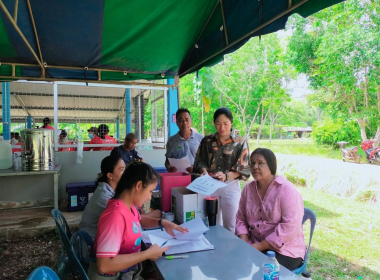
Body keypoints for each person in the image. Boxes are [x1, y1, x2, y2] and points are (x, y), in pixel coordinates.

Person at [90, 162, 189, 278]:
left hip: (126, 272)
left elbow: (137, 221)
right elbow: (104, 265)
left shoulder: (128, 206)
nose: (149, 197)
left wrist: (162, 222)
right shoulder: (115, 215)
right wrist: (147, 254)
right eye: (150, 191)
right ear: (138, 186)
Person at [235, 148, 306, 271]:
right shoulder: (248, 189)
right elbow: (241, 219)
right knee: (232, 261)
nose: (255, 167)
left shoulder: (285, 189)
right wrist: (244, 244)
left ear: (271, 166)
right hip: (255, 243)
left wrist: (258, 247)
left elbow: (290, 226)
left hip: (285, 249)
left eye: (261, 163)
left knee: (264, 271)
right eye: (252, 163)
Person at [193, 107, 250, 232]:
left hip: (230, 185)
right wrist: (204, 171)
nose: (222, 128)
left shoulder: (240, 142)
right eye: (218, 124)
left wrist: (226, 176)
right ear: (214, 123)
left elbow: (244, 168)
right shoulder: (207, 141)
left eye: (226, 124)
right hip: (209, 185)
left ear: (231, 123)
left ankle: (231, 249)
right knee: (212, 222)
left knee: (232, 224)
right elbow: (200, 161)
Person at [79, 156, 126, 239]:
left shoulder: (112, 189)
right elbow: (127, 220)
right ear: (110, 175)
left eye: (125, 169)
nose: (126, 173)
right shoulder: (104, 197)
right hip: (90, 242)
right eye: (122, 170)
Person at [165, 108, 203, 173]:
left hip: (197, 176)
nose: (184, 123)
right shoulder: (171, 141)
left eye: (187, 120)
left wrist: (196, 168)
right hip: (179, 177)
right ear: (177, 122)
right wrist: (169, 168)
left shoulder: (200, 138)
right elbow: (167, 161)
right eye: (181, 120)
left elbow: (206, 160)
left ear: (191, 121)